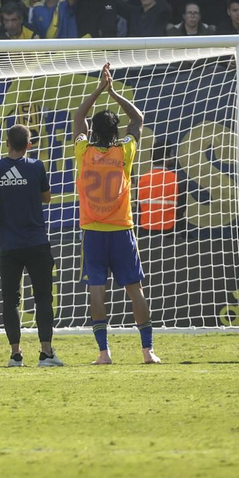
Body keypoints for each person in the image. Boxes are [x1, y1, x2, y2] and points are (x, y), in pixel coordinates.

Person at [72, 63, 159, 365]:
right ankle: (147, 351)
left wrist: (98, 89)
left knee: (97, 290)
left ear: (93, 131)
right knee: (135, 289)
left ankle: (103, 352)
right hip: (122, 230)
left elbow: (78, 117)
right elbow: (138, 119)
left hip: (93, 232)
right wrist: (114, 93)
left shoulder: (83, 152)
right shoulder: (124, 151)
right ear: (116, 132)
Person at [0, 123, 61, 367]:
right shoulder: (36, 167)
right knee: (43, 298)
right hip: (36, 241)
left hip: (9, 244)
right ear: (29, 145)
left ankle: (15, 354)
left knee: (10, 300)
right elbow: (47, 197)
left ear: (7, 144)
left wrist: (6, 193)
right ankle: (46, 352)